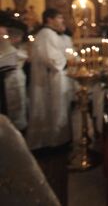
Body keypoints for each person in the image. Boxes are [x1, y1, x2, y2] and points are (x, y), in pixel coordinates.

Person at [26, 9, 73, 150]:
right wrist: (69, 60)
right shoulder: (46, 34)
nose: (62, 20)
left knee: (59, 108)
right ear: (49, 19)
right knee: (52, 109)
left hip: (57, 77)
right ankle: (51, 142)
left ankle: (60, 139)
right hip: (49, 80)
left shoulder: (53, 34)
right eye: (59, 17)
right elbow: (52, 59)